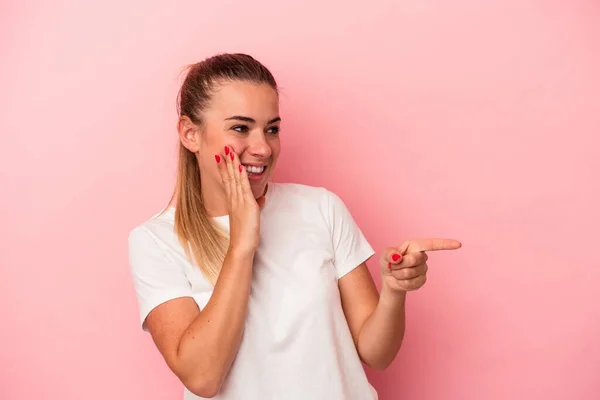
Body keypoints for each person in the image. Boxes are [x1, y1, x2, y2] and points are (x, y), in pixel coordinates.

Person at [128, 53, 462, 400]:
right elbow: (203, 377)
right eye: (241, 128)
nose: (262, 148)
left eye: (271, 129)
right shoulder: (155, 242)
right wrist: (243, 242)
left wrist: (394, 290)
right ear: (190, 134)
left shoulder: (321, 208)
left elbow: (377, 353)